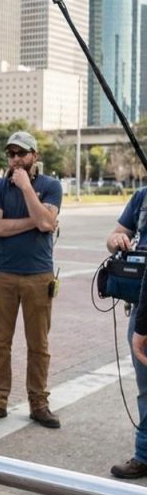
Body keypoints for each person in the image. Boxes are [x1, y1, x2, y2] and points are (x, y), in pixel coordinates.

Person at [0, 131, 62, 428]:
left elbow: (46, 222)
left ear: (34, 155)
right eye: (11, 154)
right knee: (0, 343)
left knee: (38, 344)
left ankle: (39, 403)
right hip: (2, 274)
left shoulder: (51, 185)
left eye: (21, 154)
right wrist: (38, 222)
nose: (15, 160)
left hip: (39, 276)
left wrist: (27, 189)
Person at [104, 188, 147, 478]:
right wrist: (117, 240)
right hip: (142, 302)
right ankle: (144, 454)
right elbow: (113, 237)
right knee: (146, 387)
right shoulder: (141, 197)